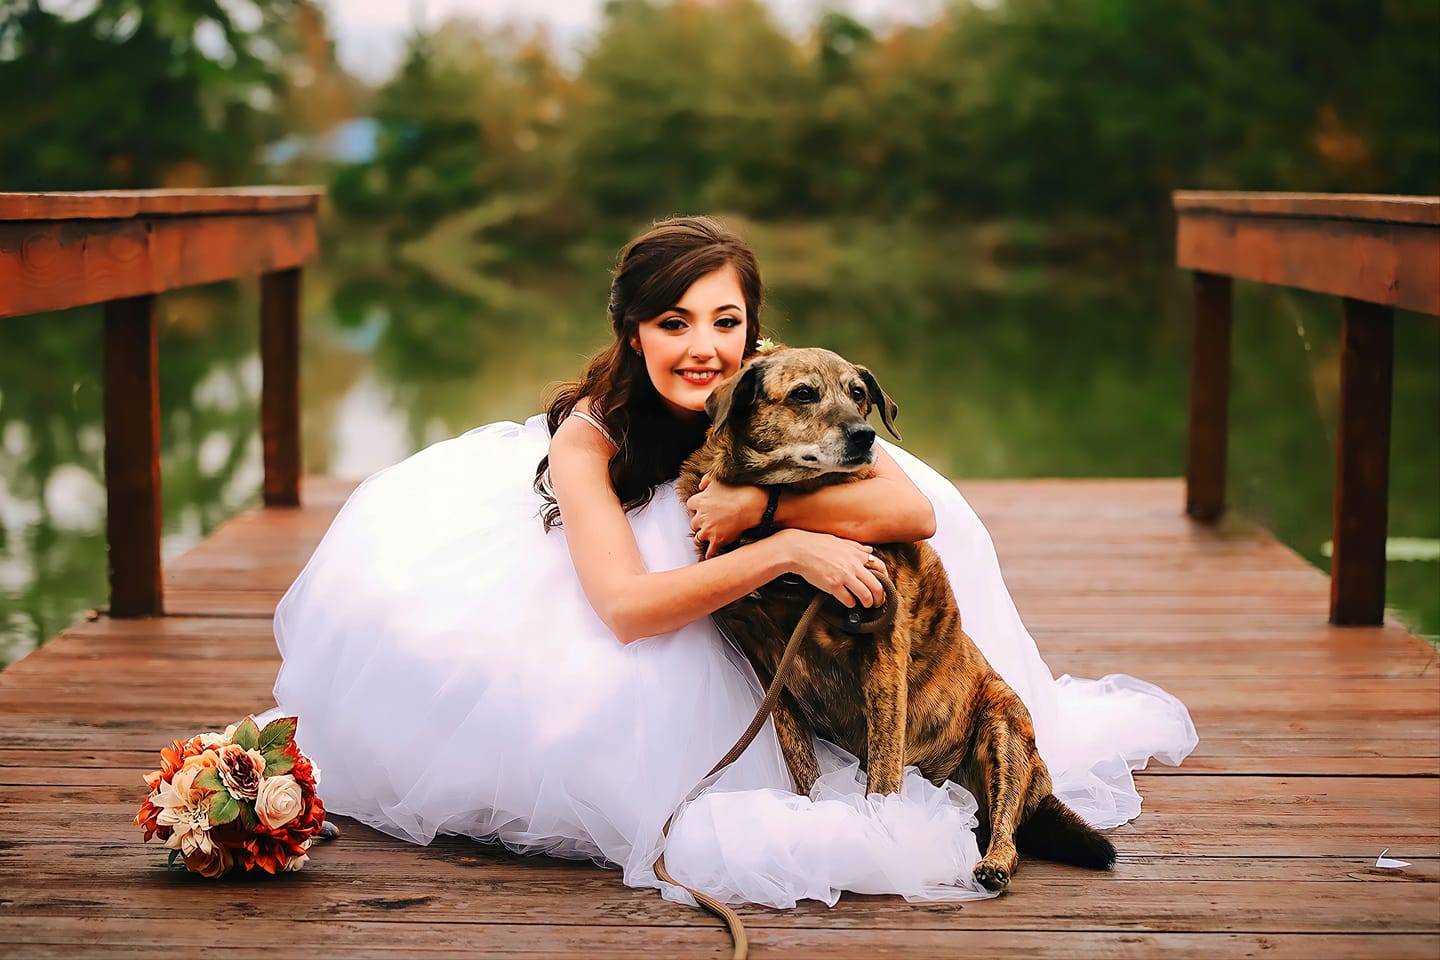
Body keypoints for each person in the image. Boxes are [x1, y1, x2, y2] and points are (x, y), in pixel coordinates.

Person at [269, 216, 1197, 908]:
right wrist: (786, 550)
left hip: (781, 580)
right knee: (579, 705)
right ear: (634, 331)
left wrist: (763, 505)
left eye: (726, 321)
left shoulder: (780, 383)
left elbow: (912, 511)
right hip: (656, 601)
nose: (703, 349)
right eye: (673, 323)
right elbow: (627, 609)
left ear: (753, 330)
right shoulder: (591, 436)